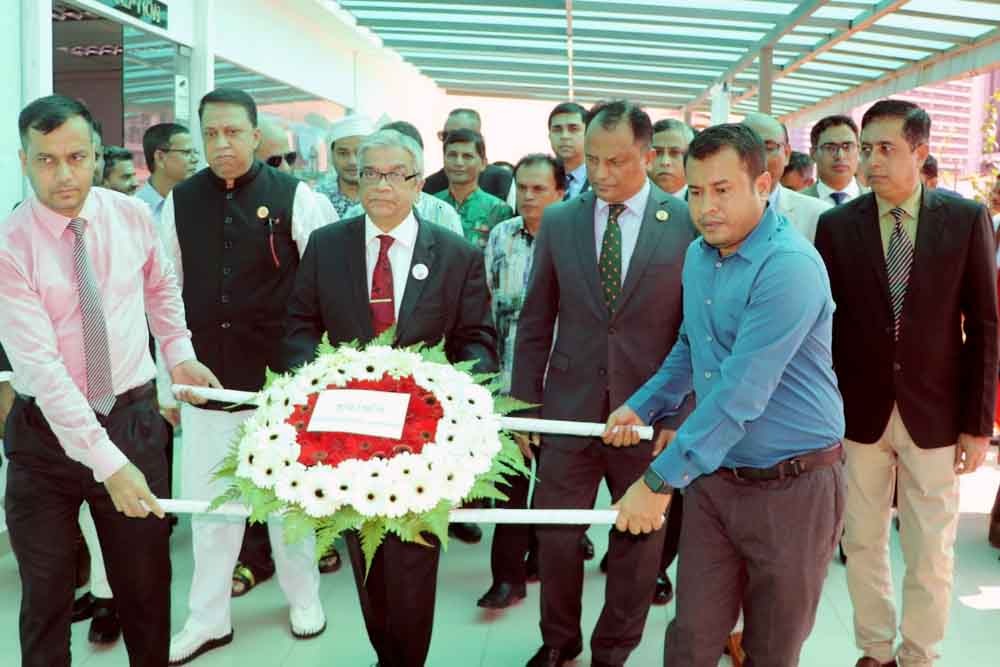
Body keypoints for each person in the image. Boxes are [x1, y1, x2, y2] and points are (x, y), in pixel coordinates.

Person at [606, 122, 846, 667]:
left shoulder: (790, 268)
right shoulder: (698, 255)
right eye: (695, 191)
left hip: (795, 487)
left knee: (770, 649)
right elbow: (691, 348)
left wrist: (659, 478)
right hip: (716, 480)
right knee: (691, 640)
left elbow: (741, 393)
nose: (705, 206)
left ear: (763, 185)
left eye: (722, 190)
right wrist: (642, 403)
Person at [0, 94, 219, 667]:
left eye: (76, 156)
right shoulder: (9, 248)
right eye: (46, 160)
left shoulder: (129, 216)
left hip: (131, 420)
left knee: (146, 589)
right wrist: (109, 463)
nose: (64, 174)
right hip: (45, 434)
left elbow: (160, 289)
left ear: (97, 154)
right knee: (45, 598)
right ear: (24, 161)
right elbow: (44, 372)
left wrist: (179, 352)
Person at [279, 128, 498, 667]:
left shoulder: (454, 254)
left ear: (417, 182)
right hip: (345, 435)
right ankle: (387, 655)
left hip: (421, 442)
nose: (378, 184)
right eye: (367, 173)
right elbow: (299, 325)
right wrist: (316, 382)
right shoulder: (328, 246)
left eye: (393, 174)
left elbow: (478, 340)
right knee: (367, 558)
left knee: (411, 564)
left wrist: (451, 396)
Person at [511, 100, 696, 667]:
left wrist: (678, 415)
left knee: (639, 541)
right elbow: (536, 317)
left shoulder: (686, 222)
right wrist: (524, 407)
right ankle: (558, 639)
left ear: (648, 153)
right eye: (593, 160)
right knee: (557, 535)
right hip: (568, 409)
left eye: (617, 160)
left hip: (648, 414)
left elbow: (697, 330)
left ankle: (613, 648)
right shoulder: (563, 220)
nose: (603, 174)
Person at [815, 99, 998, 667]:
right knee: (861, 540)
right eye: (864, 149)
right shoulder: (837, 226)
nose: (869, 161)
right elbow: (823, 326)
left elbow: (987, 327)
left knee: (931, 549)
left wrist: (976, 425)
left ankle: (920, 654)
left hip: (937, 415)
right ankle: (875, 650)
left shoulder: (965, 220)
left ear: (919, 152)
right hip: (857, 413)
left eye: (884, 149)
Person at [160, 88, 330, 665]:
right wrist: (172, 380)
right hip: (208, 378)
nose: (222, 143)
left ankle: (304, 598)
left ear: (257, 135)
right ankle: (207, 618)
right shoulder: (178, 201)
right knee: (210, 510)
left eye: (233, 132)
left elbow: (324, 288)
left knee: (290, 503)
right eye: (210, 134)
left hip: (282, 382)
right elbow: (163, 295)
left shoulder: (298, 197)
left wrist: (316, 376)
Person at [227, 116, 344, 598]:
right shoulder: (221, 204)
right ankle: (255, 558)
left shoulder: (305, 202)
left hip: (295, 354)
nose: (278, 168)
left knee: (300, 462)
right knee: (247, 463)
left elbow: (324, 288)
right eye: (269, 161)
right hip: (237, 359)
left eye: (284, 160)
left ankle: (314, 544)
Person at [479, 153, 566, 611]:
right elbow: (487, 306)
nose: (528, 196)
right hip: (507, 382)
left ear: (561, 193)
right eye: (522, 187)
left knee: (551, 483)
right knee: (510, 480)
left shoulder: (575, 239)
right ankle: (506, 577)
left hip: (562, 384)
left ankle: (540, 561)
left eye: (539, 189)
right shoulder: (500, 237)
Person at [343, 119, 464, 237]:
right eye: (371, 174)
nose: (382, 186)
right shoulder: (353, 215)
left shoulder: (442, 213)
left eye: (395, 175)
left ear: (418, 184)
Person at [742, 113, 831, 242]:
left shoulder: (818, 215)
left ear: (787, 154)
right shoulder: (715, 210)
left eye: (768, 148)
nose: (758, 159)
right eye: (748, 149)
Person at [434, 128, 514, 249]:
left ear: (483, 164)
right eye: (452, 155)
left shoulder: (498, 210)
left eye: (467, 156)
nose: (458, 162)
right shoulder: (430, 205)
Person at [422, 108, 514, 201]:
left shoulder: (502, 181)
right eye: (447, 135)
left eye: (464, 136)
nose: (454, 141)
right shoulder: (429, 186)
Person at [315, 114, 375, 217]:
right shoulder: (318, 198)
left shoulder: (385, 195)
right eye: (343, 153)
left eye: (360, 152)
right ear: (331, 155)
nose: (353, 161)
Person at [804, 114, 865, 205]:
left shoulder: (879, 201)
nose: (840, 156)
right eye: (830, 148)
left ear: (859, 150)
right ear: (813, 153)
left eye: (847, 146)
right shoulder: (796, 204)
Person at [548, 102, 589, 200]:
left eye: (573, 129)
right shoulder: (540, 179)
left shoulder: (602, 179)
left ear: (588, 134)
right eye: (557, 130)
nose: (564, 136)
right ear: (549, 136)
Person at [648, 118, 695, 199]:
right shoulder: (627, 200)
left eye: (675, 152)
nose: (665, 162)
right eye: (657, 153)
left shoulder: (702, 202)